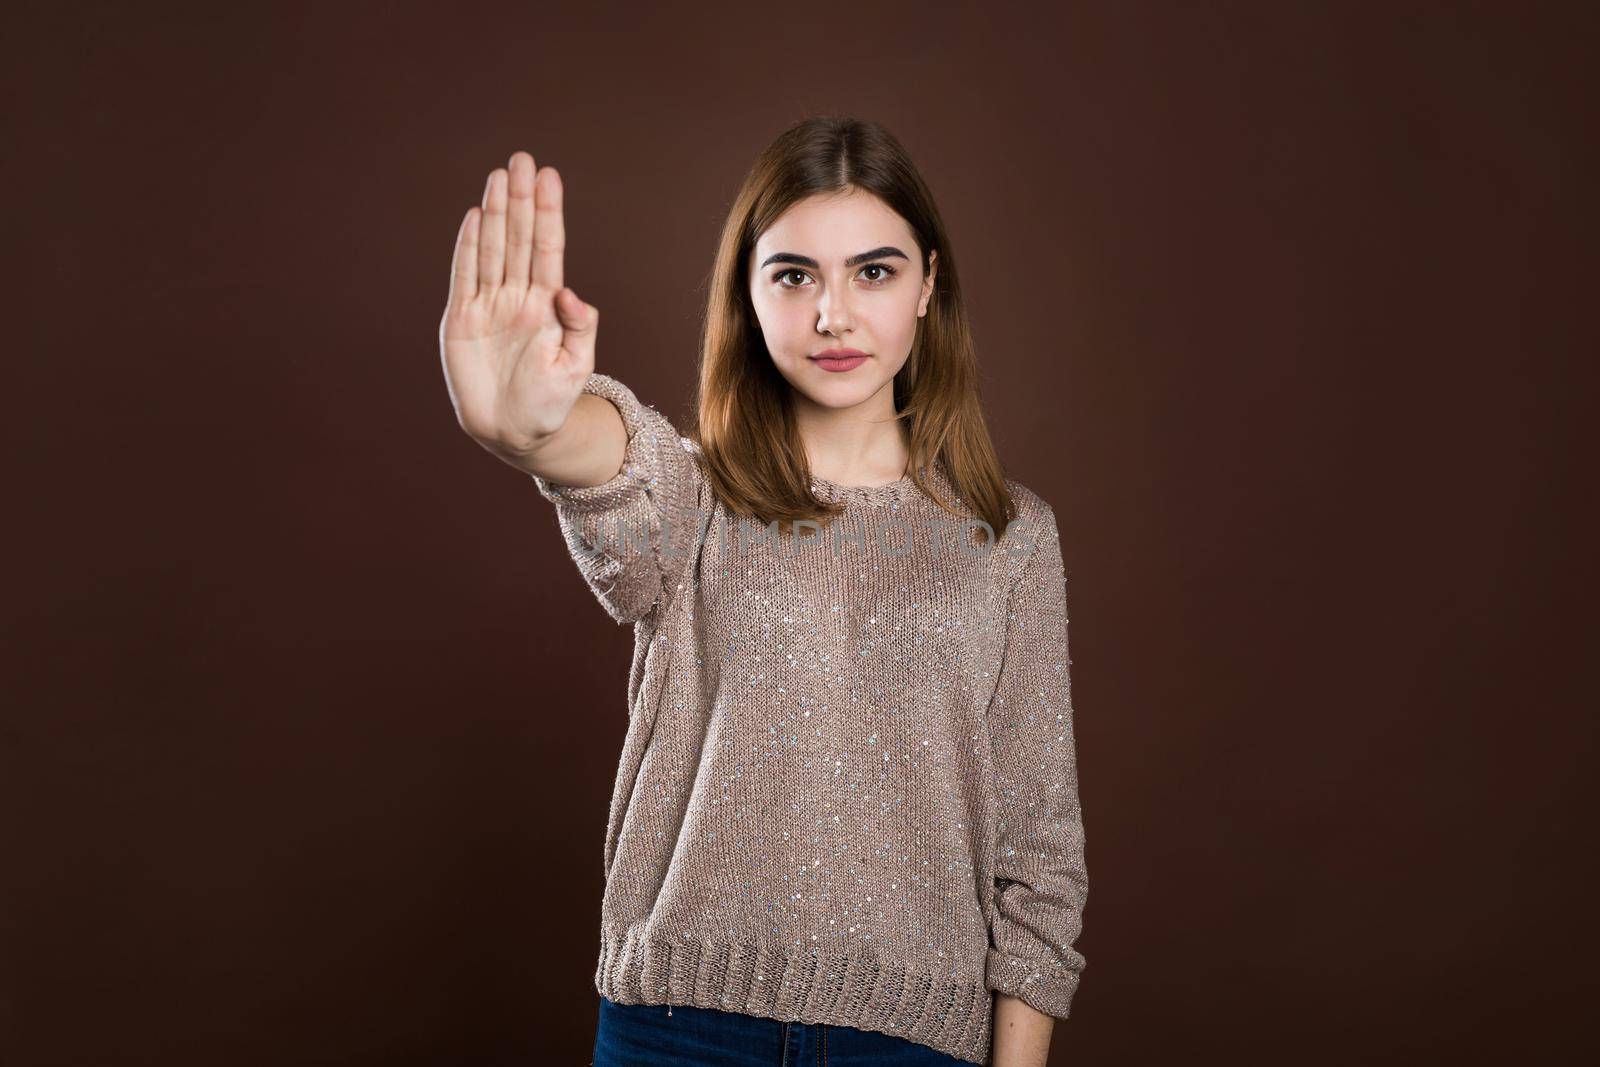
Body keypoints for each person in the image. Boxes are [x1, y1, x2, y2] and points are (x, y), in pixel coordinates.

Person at [439, 115, 1087, 1067]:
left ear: (928, 286)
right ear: (747, 292)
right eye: (793, 275)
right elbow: (613, 469)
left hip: (910, 1047)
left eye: (874, 271)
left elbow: (1039, 848)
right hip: (676, 1032)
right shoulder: (694, 495)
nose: (834, 313)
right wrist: (533, 431)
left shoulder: (1010, 538)